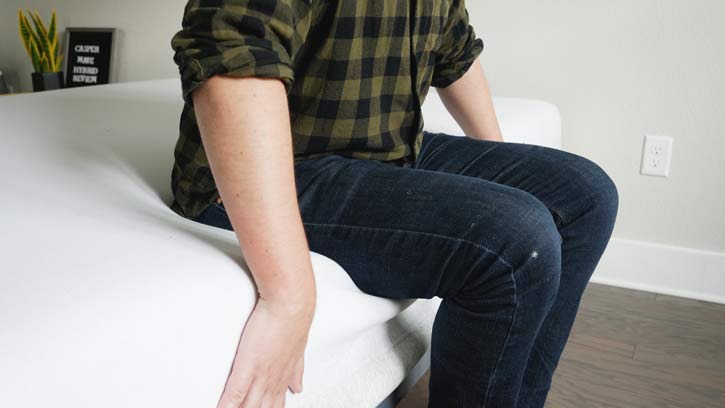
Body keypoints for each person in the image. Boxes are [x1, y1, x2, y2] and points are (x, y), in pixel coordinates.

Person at [168, 0, 619, 407]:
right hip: (283, 161)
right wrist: (288, 296)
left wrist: (501, 168)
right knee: (517, 241)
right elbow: (233, 52)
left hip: (390, 147)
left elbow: (454, 48)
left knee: (586, 196)